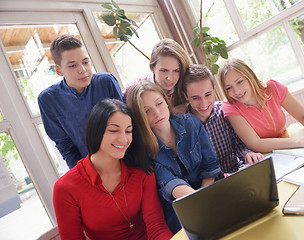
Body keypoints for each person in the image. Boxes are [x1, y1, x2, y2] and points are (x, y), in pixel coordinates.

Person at [53, 99, 173, 240]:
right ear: (96, 131)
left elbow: (157, 228)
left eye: (128, 131)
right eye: (114, 130)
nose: (123, 139)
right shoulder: (65, 188)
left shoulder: (142, 170)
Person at [126, 81, 221, 233]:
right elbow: (171, 184)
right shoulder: (144, 151)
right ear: (139, 117)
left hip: (208, 189)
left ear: (166, 101)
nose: (157, 113)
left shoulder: (191, 123)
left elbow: (211, 167)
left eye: (159, 104)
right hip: (179, 205)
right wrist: (204, 207)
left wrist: (205, 198)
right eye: (146, 111)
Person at [218, 58, 304, 153]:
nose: (237, 91)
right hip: (264, 155)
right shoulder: (229, 107)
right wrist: (302, 141)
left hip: (288, 144)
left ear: (250, 77)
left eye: (240, 82)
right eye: (229, 88)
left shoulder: (273, 87)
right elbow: (255, 144)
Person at [38, 34, 123, 168]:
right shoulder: (48, 100)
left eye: (85, 62)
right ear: (59, 70)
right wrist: (86, 176)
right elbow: (65, 146)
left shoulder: (106, 81)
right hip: (91, 170)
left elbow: (128, 124)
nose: (83, 70)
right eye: (72, 66)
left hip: (127, 160)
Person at [174, 64, 264, 172]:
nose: (204, 103)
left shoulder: (225, 111)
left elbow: (238, 145)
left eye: (208, 95)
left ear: (214, 90)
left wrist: (248, 154)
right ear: (185, 96)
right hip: (209, 183)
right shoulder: (181, 125)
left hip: (236, 172)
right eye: (195, 98)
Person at [125, 38, 191, 107]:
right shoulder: (133, 90)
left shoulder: (186, 83)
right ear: (152, 67)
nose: (169, 78)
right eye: (164, 71)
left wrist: (185, 106)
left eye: (176, 71)